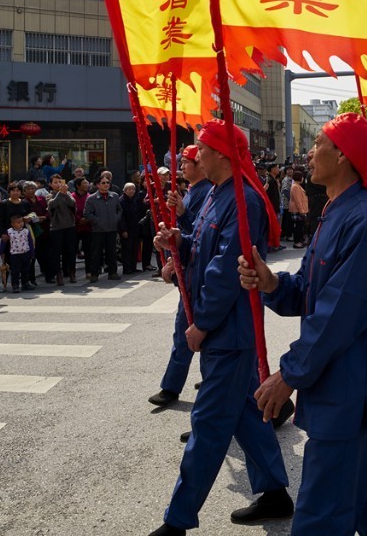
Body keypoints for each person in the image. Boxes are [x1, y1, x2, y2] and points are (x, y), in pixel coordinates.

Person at [240, 112, 367, 534]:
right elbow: (310, 289)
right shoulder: (337, 211)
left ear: (342, 155)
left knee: (322, 516)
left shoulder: (366, 220)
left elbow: (339, 315)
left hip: (347, 391)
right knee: (365, 495)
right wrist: (272, 284)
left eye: (319, 143)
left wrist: (288, 374)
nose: (310, 151)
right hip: (335, 387)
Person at [147, 121, 292, 536]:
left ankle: (177, 522)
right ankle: (275, 494)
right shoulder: (213, 195)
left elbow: (226, 271)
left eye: (202, 149)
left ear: (223, 155)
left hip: (229, 332)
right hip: (223, 332)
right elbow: (200, 246)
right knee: (246, 411)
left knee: (208, 426)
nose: (194, 157)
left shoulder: (244, 201)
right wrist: (178, 239)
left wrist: (202, 325)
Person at [149, 145, 212, 409]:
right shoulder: (194, 191)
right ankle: (188, 383)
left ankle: (176, 387)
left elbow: (201, 234)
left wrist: (184, 215)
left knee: (190, 329)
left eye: (189, 162)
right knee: (186, 330)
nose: (184, 167)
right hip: (192, 271)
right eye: (183, 162)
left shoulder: (209, 191)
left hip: (202, 275)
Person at [83, 177, 123, 282]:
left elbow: (119, 209)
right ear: (98, 185)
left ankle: (112, 272)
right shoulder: (91, 198)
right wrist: (97, 220)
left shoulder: (114, 196)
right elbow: (87, 214)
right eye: (103, 183)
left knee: (112, 252)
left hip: (111, 229)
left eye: (107, 183)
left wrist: (116, 218)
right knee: (96, 253)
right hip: (98, 230)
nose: (106, 184)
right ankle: (94, 274)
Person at [47, 174, 77, 284]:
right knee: (56, 252)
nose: (58, 184)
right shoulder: (49, 195)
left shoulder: (68, 194)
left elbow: (73, 203)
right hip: (56, 227)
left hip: (70, 226)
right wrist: (60, 193)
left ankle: (72, 272)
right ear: (50, 184)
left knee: (71, 251)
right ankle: (58, 274)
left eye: (60, 182)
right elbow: (52, 205)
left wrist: (65, 194)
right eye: (55, 182)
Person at [3, 213, 35, 293]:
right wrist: (1, 251)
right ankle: (15, 285)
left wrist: (32, 253)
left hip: (25, 253)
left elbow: (30, 242)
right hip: (15, 254)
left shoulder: (26, 231)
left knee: (26, 270)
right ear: (12, 224)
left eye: (21, 222)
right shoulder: (9, 231)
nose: (20, 224)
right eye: (18, 222)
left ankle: (25, 284)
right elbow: (4, 242)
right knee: (15, 271)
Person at [288, 169, 310, 248]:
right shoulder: (295, 187)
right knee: (298, 226)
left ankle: (299, 241)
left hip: (300, 209)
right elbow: (298, 200)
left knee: (300, 226)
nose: (303, 179)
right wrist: (302, 211)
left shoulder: (297, 186)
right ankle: (297, 242)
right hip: (297, 210)